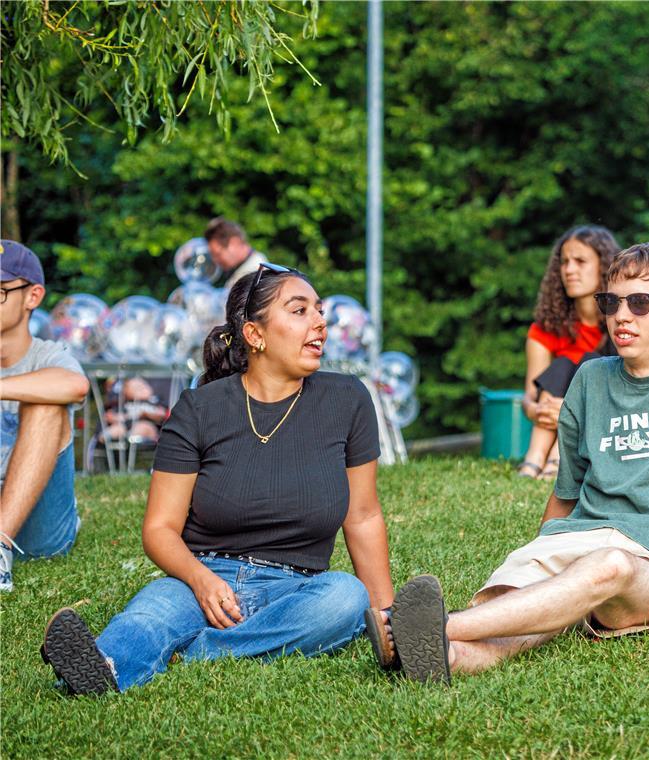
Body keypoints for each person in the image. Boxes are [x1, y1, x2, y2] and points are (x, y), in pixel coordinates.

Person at [381, 243, 649, 684]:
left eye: (640, 303)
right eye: (612, 302)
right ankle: (445, 655)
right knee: (514, 612)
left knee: (611, 565)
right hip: (577, 541)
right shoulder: (590, 378)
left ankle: (438, 626)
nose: (622, 316)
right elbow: (565, 494)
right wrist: (537, 561)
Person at [39, 263, 397, 695]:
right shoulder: (199, 408)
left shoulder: (347, 399)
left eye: (319, 310)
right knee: (148, 617)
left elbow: (362, 516)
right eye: (299, 310)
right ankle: (104, 670)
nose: (320, 322)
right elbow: (159, 529)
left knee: (345, 597)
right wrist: (200, 579)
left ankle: (199, 653)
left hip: (298, 587)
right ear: (254, 334)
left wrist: (387, 617)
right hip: (201, 573)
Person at [0, 241, 90, 592]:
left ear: (33, 296)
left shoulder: (50, 354)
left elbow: (75, 385)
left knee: (45, 401)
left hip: (40, 527)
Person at [519, 226, 620, 479]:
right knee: (563, 364)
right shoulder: (547, 327)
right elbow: (530, 397)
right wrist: (539, 410)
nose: (569, 270)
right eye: (564, 263)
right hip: (552, 413)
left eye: (580, 261)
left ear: (604, 266)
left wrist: (572, 411)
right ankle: (535, 458)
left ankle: (558, 458)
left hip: (609, 417)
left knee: (592, 363)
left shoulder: (621, 320)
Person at [204, 217, 268, 291]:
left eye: (217, 254)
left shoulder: (254, 273)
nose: (214, 260)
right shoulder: (245, 267)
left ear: (234, 243)